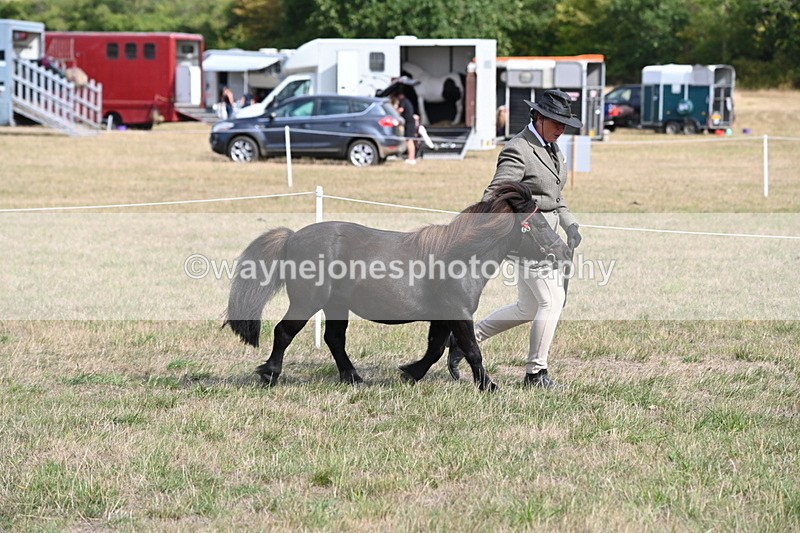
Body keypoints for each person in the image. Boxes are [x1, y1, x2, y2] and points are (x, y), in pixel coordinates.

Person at [448, 89, 583, 389]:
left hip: (550, 239)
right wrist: (521, 223)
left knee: (528, 308)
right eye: (557, 122)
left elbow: (555, 198)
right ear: (539, 117)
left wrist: (570, 224)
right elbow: (494, 195)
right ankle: (536, 373)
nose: (562, 129)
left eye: (565, 123)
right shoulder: (519, 149)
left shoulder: (552, 148)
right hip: (526, 242)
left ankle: (464, 339)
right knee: (552, 301)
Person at [392, 91, 418, 165]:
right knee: (408, 141)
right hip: (409, 123)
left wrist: (394, 111)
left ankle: (411, 158)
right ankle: (410, 157)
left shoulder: (403, 101)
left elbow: (401, 110)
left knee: (409, 141)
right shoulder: (407, 101)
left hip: (409, 124)